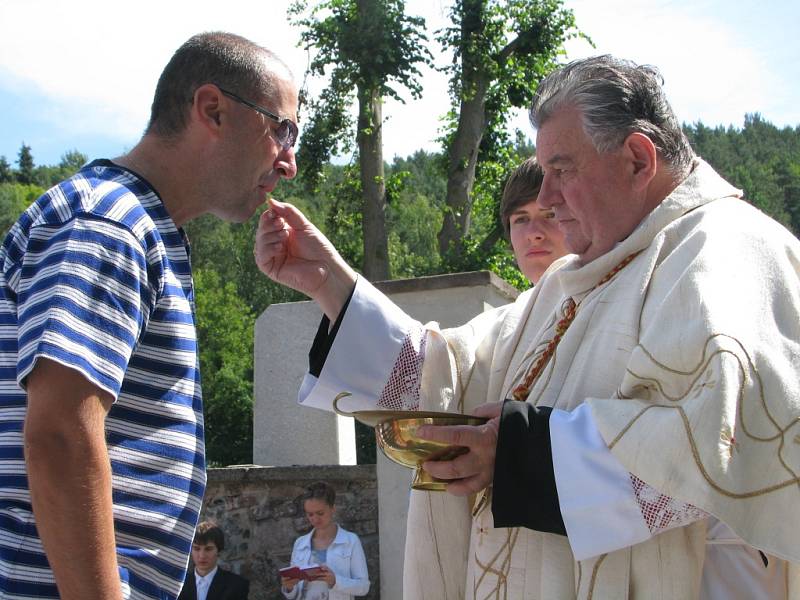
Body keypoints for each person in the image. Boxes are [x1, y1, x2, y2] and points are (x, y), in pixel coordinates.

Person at [255, 55, 799, 598]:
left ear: (637, 158)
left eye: (561, 170)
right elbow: (452, 374)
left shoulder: (727, 248)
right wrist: (329, 282)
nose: (546, 199)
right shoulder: (571, 281)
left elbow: (717, 446)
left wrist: (520, 454)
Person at [0, 32, 297, 599]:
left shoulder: (136, 226)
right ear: (212, 110)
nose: (290, 161)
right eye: (282, 130)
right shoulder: (110, 223)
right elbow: (60, 433)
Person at [281, 482, 370, 600]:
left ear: (333, 508)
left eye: (320, 513)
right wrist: (289, 588)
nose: (315, 519)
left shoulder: (350, 541)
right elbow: (295, 592)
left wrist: (335, 581)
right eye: (310, 514)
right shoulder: (300, 543)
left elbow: (363, 587)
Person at [500, 156, 572, 284]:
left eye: (550, 215)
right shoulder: (520, 304)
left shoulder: (614, 299)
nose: (533, 234)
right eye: (521, 219)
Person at [178, 521, 249, 600]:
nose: (202, 556)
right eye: (196, 548)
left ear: (218, 550)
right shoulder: (177, 585)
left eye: (208, 549)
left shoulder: (237, 585)